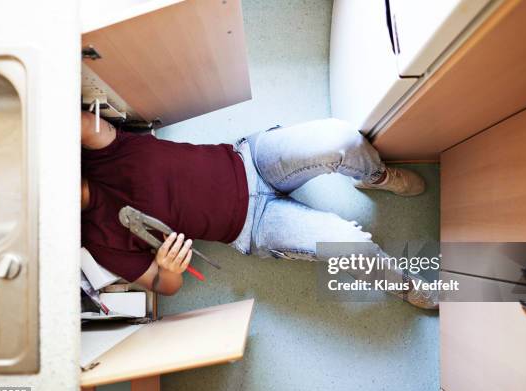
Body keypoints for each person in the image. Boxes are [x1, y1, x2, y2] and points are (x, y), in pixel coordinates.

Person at [81, 112, 438, 309]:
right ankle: (405, 287)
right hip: (252, 227)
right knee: (347, 244)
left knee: (339, 138)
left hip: (250, 159)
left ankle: (374, 177)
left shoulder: (99, 151)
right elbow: (165, 286)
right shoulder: (98, 239)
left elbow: (77, 121)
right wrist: (167, 268)